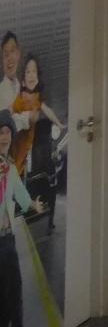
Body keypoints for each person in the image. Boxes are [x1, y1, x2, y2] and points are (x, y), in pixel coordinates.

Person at [0, 110, 41, 327]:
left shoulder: (11, 168)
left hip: (8, 240)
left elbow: (19, 192)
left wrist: (33, 204)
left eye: (8, 132)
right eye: (0, 132)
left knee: (14, 289)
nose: (4, 137)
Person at [12, 56, 62, 178]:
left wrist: (59, 123)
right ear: (23, 81)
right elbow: (11, 113)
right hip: (19, 138)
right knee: (15, 165)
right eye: (28, 72)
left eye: (34, 71)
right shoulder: (21, 97)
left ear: (38, 78)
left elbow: (47, 110)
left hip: (27, 140)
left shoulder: (37, 98)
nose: (31, 75)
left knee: (19, 166)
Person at [0, 36, 34, 133]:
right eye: (6, 55)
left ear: (18, 54)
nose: (10, 58)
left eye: (12, 52)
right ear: (2, 60)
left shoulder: (21, 87)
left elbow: (28, 120)